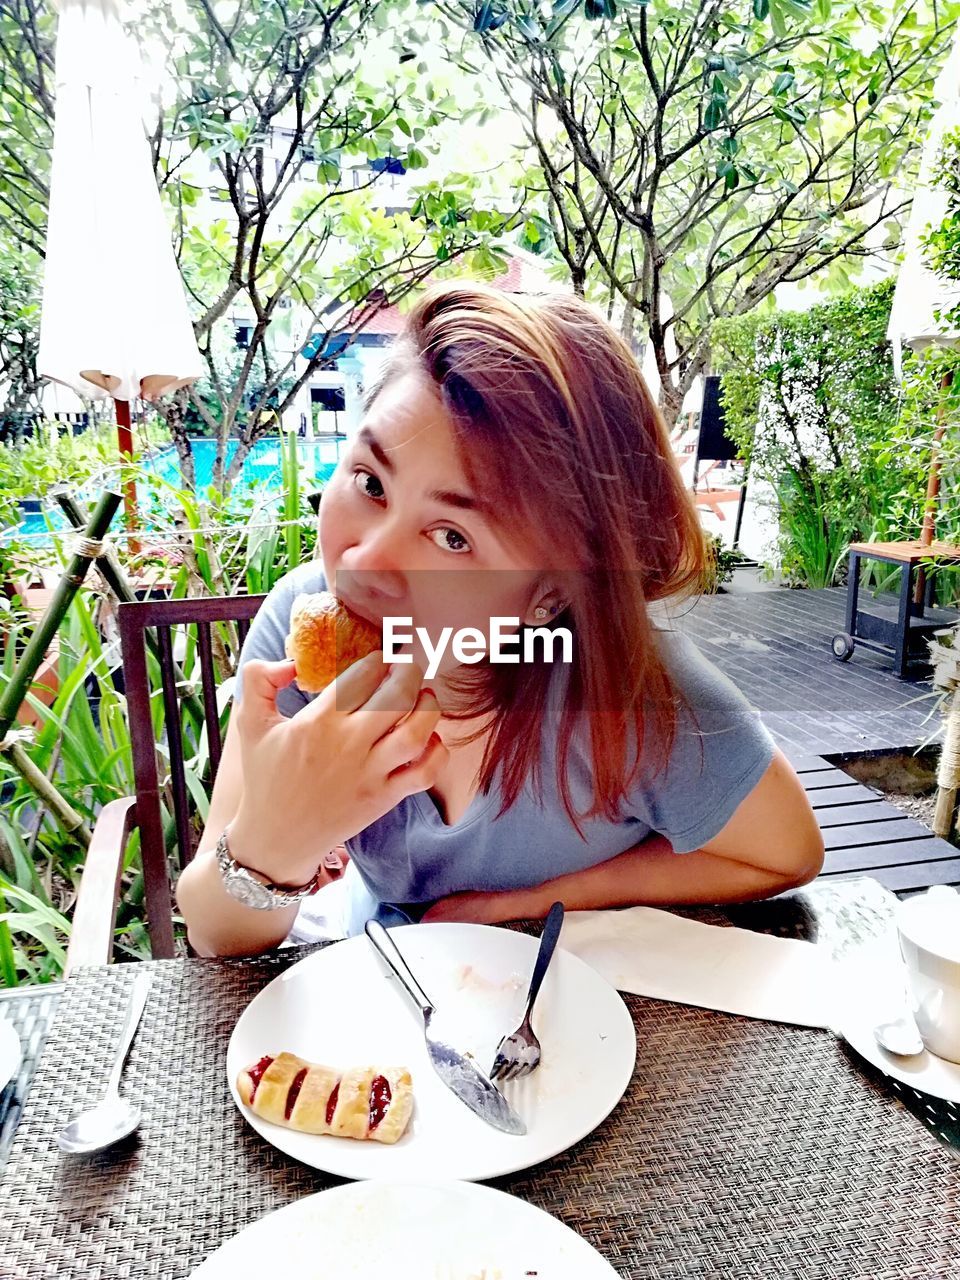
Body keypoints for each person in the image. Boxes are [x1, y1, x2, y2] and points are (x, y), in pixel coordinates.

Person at [176, 282, 824, 957]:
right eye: (371, 483)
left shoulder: (635, 694)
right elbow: (218, 936)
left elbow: (784, 855)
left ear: (551, 592)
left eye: (453, 536)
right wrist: (277, 841)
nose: (365, 564)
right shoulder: (300, 625)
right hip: (376, 988)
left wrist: (525, 903)